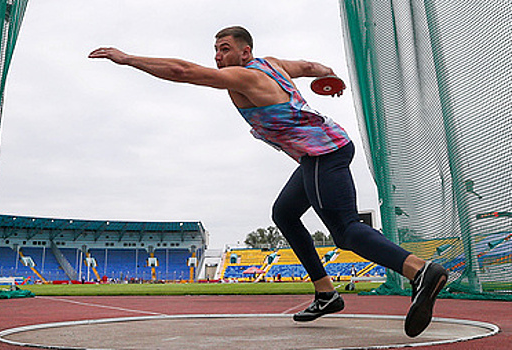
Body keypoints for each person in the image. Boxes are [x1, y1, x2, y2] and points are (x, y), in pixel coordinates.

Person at [89, 26, 448, 337]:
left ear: (246, 52)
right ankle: (326, 293)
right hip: (319, 153)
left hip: (323, 153)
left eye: (225, 49)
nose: (217, 56)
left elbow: (183, 71)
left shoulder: (245, 75)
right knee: (285, 213)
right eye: (215, 50)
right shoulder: (273, 63)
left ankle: (420, 271)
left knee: (346, 232)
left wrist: (128, 59)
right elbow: (308, 67)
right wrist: (329, 74)